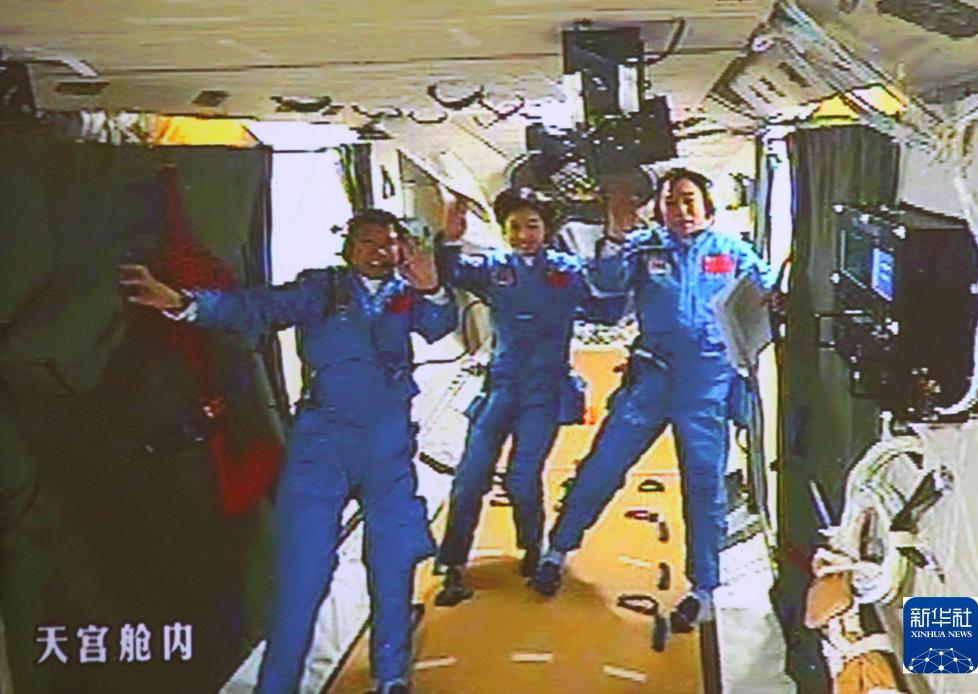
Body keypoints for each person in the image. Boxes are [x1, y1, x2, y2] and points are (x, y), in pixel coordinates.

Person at [119, 209, 457, 694]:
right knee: (304, 571)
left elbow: (439, 325)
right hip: (324, 445)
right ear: (349, 248)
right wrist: (183, 303)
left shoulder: (407, 294)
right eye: (368, 241)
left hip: (388, 447)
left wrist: (433, 288)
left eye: (389, 242)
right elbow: (254, 308)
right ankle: (277, 685)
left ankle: (391, 675)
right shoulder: (322, 290)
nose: (380, 251)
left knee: (394, 559)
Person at [532, 168, 780, 632]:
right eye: (671, 202)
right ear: (660, 210)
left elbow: (770, 295)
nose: (681, 210)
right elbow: (605, 286)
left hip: (706, 386)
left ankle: (703, 590)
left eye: (688, 200)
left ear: (706, 206)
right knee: (601, 467)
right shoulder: (645, 249)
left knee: (704, 488)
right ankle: (557, 550)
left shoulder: (732, 253)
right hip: (652, 380)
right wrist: (615, 235)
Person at [433, 189, 625, 606]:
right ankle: (452, 561)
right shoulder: (493, 268)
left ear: (547, 229)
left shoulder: (566, 271)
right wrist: (449, 236)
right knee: (469, 478)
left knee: (522, 478)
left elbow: (607, 309)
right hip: (501, 388)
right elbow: (448, 272)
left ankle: (533, 548)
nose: (523, 235)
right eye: (515, 227)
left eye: (532, 226)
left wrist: (617, 255)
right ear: (504, 231)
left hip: (545, 391)